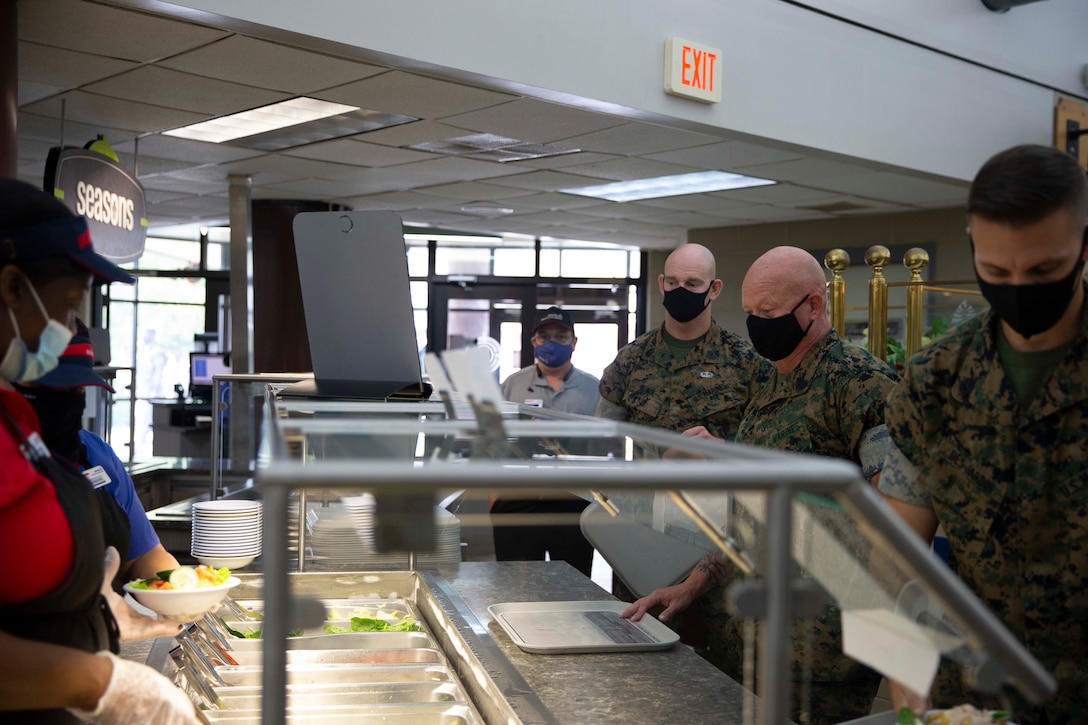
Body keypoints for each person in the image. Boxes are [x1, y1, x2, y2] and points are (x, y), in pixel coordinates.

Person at [623, 246, 899, 724]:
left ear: (813, 306)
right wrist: (692, 585)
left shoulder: (859, 383)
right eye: (750, 313)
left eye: (768, 312)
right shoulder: (769, 384)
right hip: (743, 632)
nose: (756, 324)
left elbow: (895, 517)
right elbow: (748, 517)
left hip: (816, 646)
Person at [880, 144, 1088, 722]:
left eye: (1045, 270)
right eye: (997, 272)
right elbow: (892, 557)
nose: (1020, 286)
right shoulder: (935, 382)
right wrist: (902, 675)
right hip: (974, 698)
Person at [0, 178, 196, 723]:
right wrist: (104, 682)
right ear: (12, 288)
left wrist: (101, 620)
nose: (67, 329)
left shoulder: (16, 425)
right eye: (65, 307)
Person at [14, 318, 181, 589]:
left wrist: (177, 587)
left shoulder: (96, 453)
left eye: (78, 388)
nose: (68, 399)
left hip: (103, 626)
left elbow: (145, 554)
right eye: (55, 388)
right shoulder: (8, 459)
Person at [596, 242, 771, 439]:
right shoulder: (631, 358)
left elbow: (766, 446)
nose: (681, 291)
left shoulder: (746, 361)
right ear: (661, 284)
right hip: (647, 469)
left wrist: (720, 448)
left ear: (714, 289)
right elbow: (605, 436)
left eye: (692, 284)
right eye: (672, 282)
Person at [491, 307, 601, 577]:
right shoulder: (512, 386)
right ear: (534, 342)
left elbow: (605, 449)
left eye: (561, 336)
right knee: (516, 587)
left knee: (574, 587)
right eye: (545, 336)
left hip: (573, 503)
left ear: (574, 342)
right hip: (518, 501)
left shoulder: (593, 390)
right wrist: (494, 499)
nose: (552, 342)